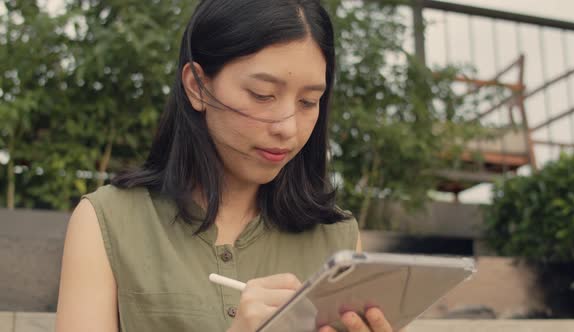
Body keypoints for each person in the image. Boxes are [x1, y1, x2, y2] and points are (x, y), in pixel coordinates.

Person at [55, 0, 397, 331]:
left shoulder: (337, 239)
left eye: (308, 102)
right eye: (263, 95)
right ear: (197, 86)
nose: (288, 127)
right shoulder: (109, 221)